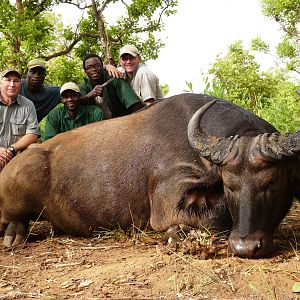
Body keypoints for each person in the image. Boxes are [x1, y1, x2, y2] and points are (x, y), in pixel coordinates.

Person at [79, 53, 145, 118]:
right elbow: (76, 102)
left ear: (102, 67)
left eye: (97, 65)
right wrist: (90, 95)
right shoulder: (84, 85)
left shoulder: (114, 78)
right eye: (89, 67)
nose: (94, 69)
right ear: (85, 71)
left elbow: (135, 104)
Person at [0, 68, 39, 171]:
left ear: (20, 84)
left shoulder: (28, 105)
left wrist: (11, 150)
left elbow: (33, 134)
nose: (12, 84)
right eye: (8, 80)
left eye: (16, 81)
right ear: (1, 82)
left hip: (16, 156)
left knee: (36, 149)